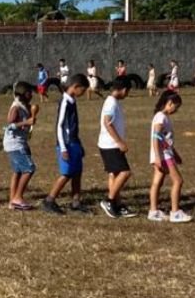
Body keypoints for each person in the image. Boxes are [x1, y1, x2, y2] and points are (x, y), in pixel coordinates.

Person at [43, 73, 90, 214]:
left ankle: (76, 202)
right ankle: (49, 200)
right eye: (83, 90)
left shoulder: (72, 100)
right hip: (67, 143)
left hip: (74, 142)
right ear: (76, 87)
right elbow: (60, 126)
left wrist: (79, 143)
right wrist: (63, 147)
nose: (83, 93)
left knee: (77, 172)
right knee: (67, 173)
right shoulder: (64, 102)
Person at [148, 89, 189, 222]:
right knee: (178, 181)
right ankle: (175, 212)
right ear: (169, 103)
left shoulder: (161, 116)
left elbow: (165, 140)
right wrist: (158, 156)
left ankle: (153, 211)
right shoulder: (161, 117)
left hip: (164, 154)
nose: (176, 111)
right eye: (176, 107)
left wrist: (175, 153)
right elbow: (156, 136)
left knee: (157, 183)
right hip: (164, 156)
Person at [97, 77, 136, 219]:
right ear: (124, 89)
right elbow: (107, 123)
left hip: (108, 144)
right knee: (125, 173)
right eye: (128, 91)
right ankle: (109, 201)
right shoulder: (111, 103)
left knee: (114, 174)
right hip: (110, 145)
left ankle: (117, 204)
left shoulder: (113, 102)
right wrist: (119, 142)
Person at [3, 82, 38, 211]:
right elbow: (9, 125)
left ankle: (13, 200)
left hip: (18, 142)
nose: (32, 95)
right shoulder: (16, 107)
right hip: (14, 143)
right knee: (29, 168)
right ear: (23, 93)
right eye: (29, 92)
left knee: (17, 171)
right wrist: (26, 122)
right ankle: (18, 197)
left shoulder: (23, 106)